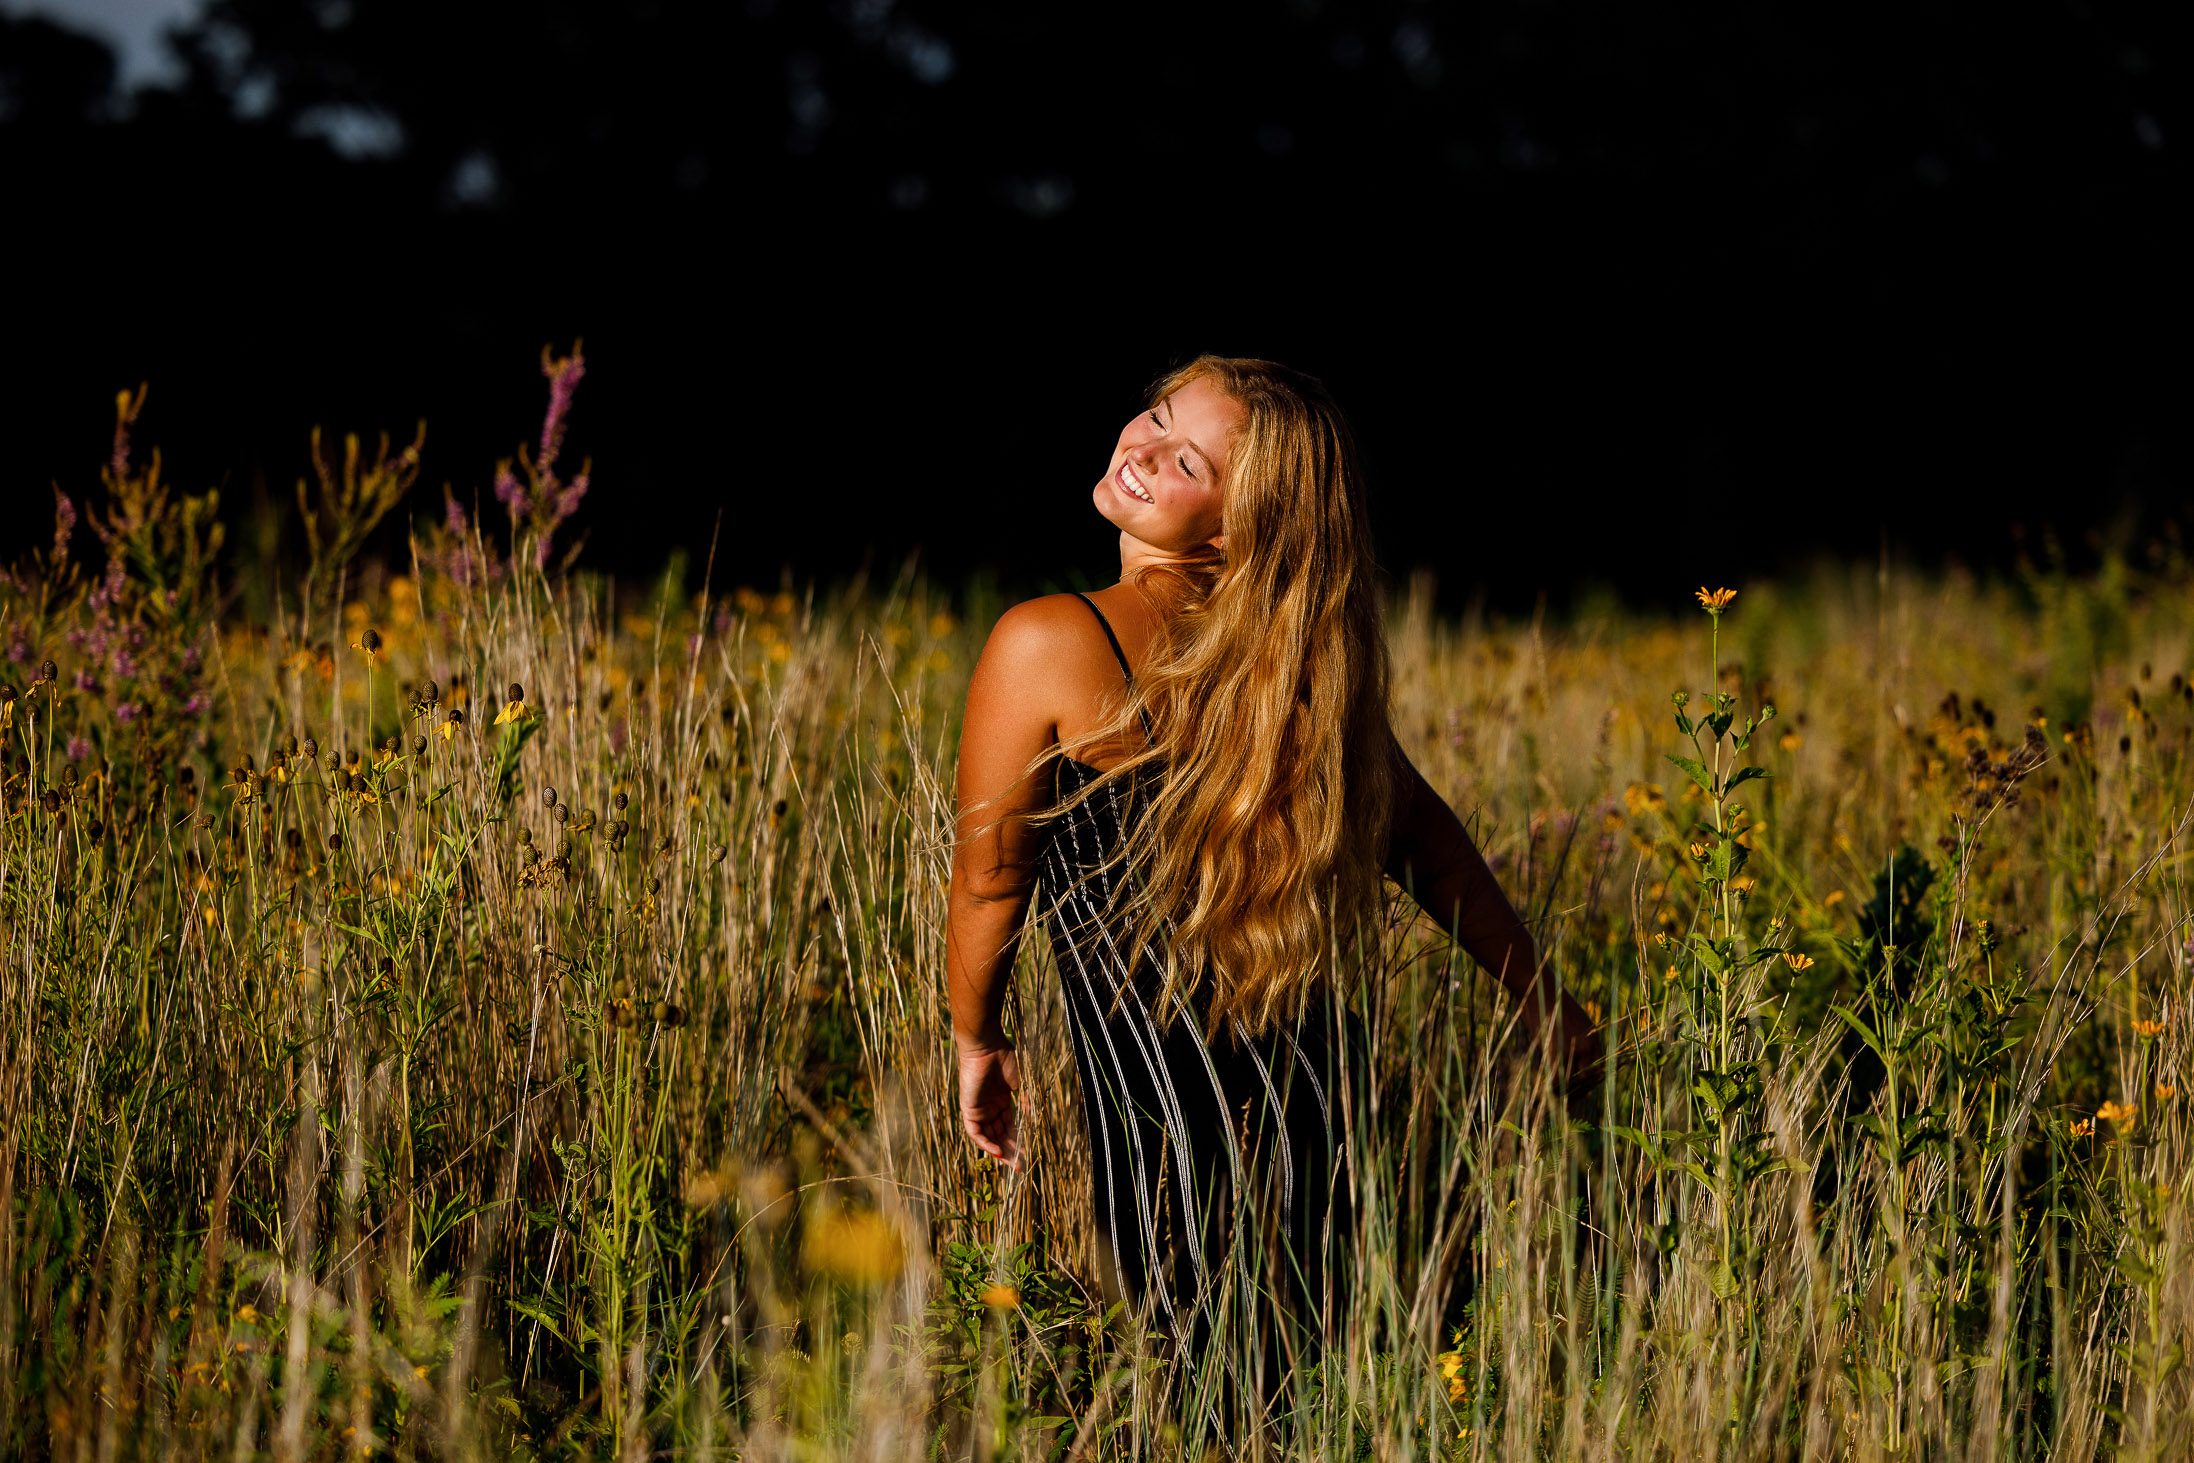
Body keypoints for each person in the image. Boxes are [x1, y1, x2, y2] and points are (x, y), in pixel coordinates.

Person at [944, 355, 1601, 1378]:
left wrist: (975, 1038)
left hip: (1159, 1144)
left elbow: (992, 879)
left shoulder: (1046, 640)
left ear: (1238, 527)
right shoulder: (1294, 671)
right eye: (1157, 418)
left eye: (1189, 459)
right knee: (1329, 1389)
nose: (1146, 450)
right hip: (1324, 1127)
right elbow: (1425, 844)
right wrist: (1544, 999)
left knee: (1203, 1394)